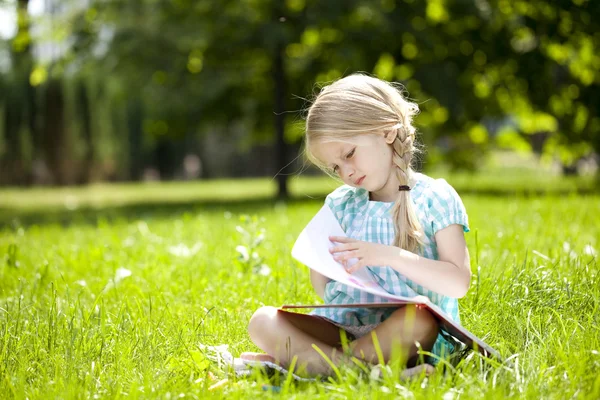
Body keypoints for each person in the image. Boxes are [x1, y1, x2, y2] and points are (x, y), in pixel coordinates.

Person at [241, 73, 471, 379]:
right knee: (262, 320)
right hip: (347, 329)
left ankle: (308, 367)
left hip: (410, 335)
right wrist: (326, 269)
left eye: (349, 154)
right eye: (336, 166)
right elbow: (323, 283)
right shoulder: (341, 204)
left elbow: (458, 283)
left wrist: (388, 256)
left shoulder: (435, 198)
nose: (346, 171)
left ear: (387, 131)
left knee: (420, 321)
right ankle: (359, 371)